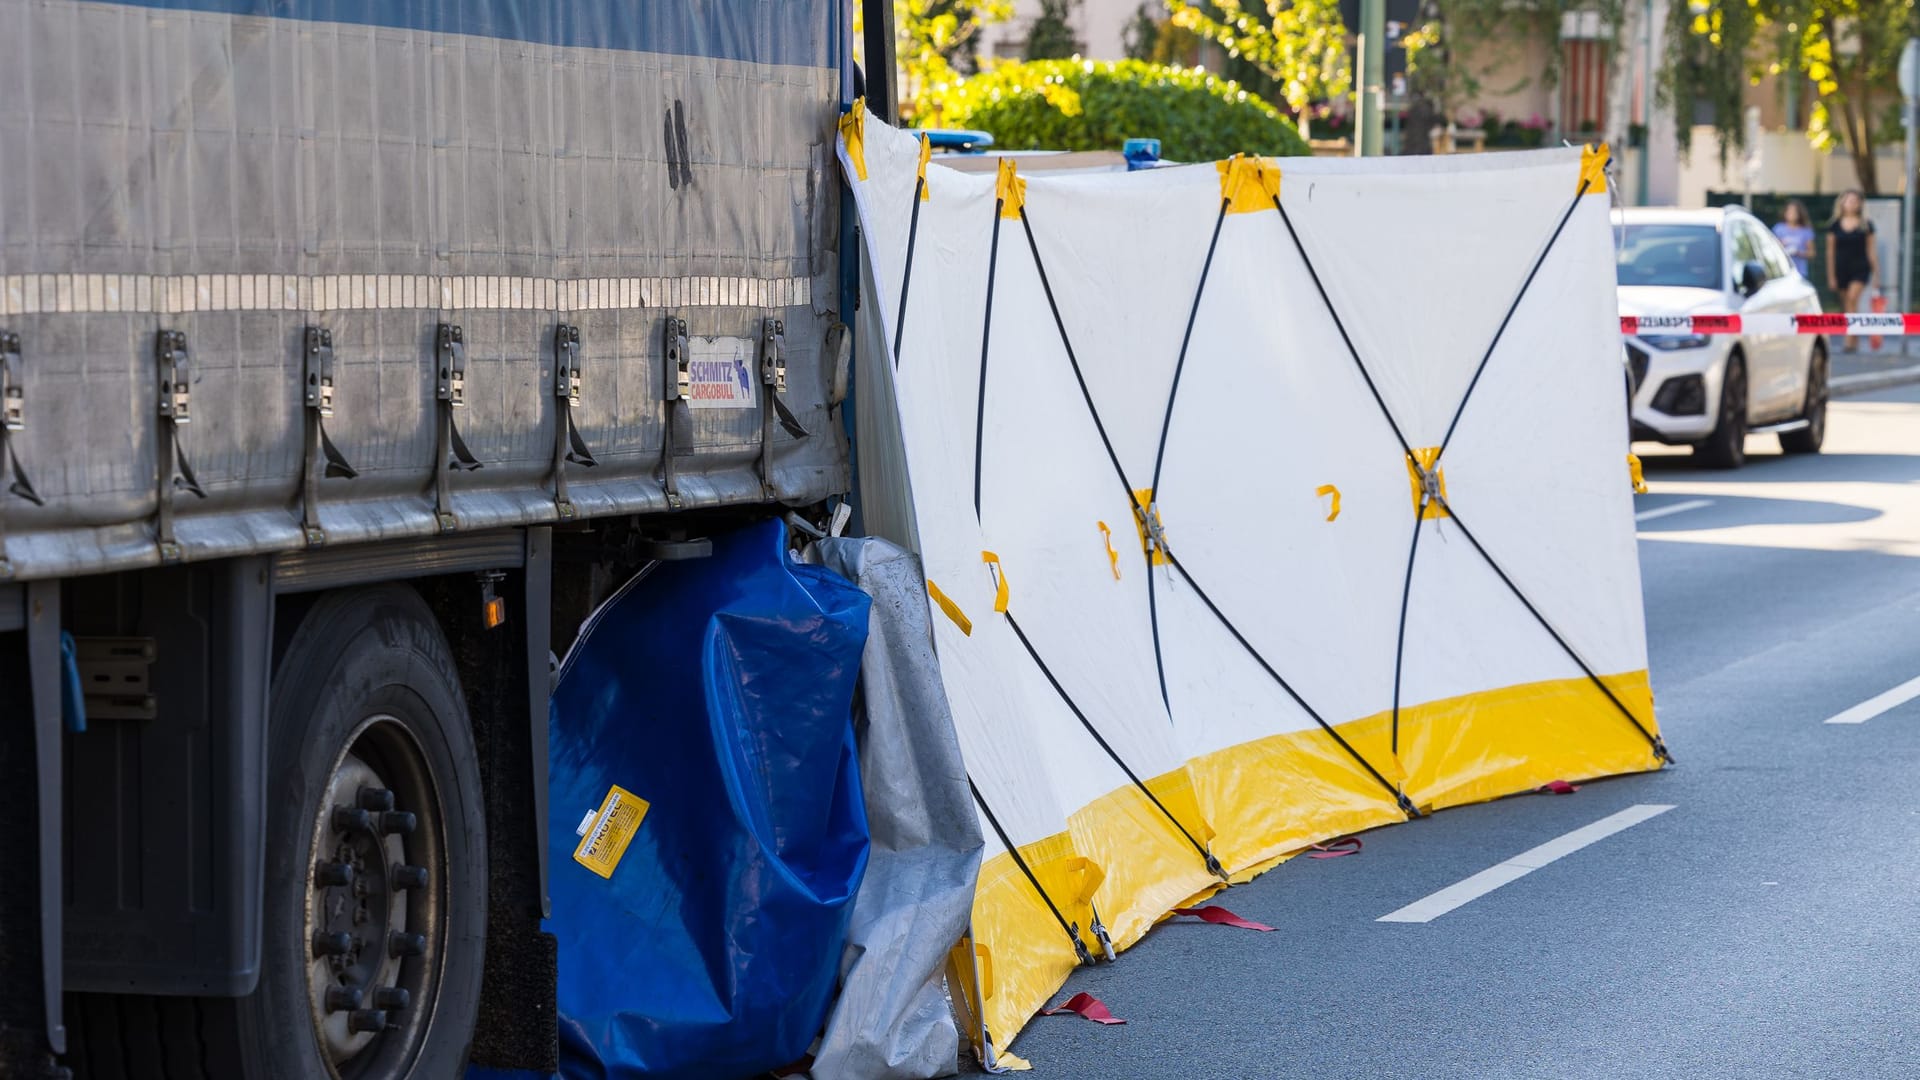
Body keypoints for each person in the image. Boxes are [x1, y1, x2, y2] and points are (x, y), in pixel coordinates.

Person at [1826, 190, 1877, 352]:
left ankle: (1849, 340)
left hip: (1860, 268)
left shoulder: (1866, 225)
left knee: (1852, 298)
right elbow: (1830, 252)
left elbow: (1871, 251)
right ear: (1842, 203)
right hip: (1842, 268)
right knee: (1848, 304)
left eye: (1855, 201)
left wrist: (1876, 274)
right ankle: (1854, 337)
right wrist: (1831, 276)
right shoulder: (1834, 225)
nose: (1852, 204)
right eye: (1848, 200)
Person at [1772, 200, 1814, 278]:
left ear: (1799, 213)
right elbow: (1771, 250)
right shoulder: (1778, 229)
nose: (1791, 213)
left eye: (1794, 211)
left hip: (1800, 273)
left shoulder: (1806, 230)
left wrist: (1798, 253)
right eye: (1789, 210)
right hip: (1782, 272)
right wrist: (1780, 245)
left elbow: (1812, 253)